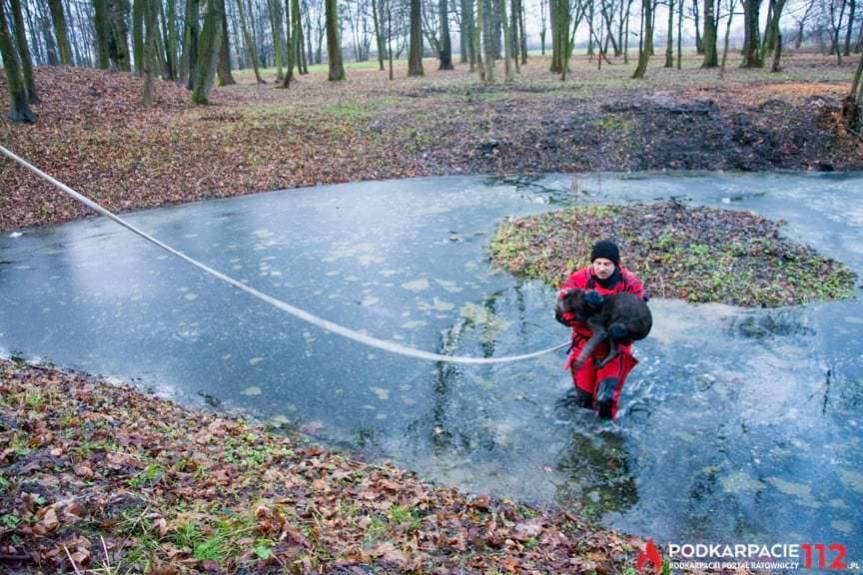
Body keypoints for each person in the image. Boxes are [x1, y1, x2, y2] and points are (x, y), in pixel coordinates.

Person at [554, 240, 647, 420]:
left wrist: (625, 331)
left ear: (616, 264)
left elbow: (640, 316)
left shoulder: (630, 283)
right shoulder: (579, 279)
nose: (602, 268)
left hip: (616, 347)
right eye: (598, 263)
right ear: (592, 263)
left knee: (606, 399)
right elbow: (561, 312)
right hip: (584, 342)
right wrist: (584, 306)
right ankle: (585, 433)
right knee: (584, 399)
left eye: (607, 264)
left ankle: (607, 431)